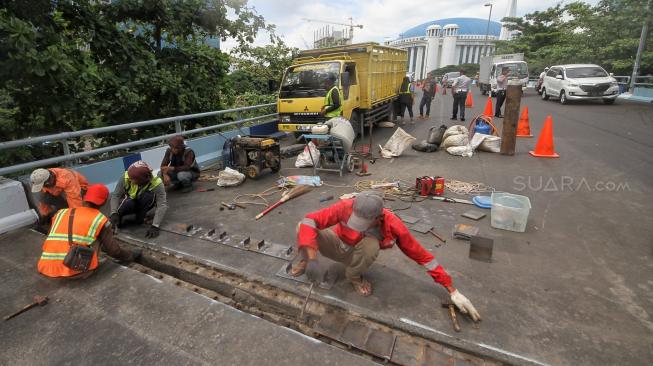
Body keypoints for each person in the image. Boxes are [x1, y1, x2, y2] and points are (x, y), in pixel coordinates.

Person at [291, 191, 481, 321]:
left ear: (378, 218)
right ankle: (306, 259)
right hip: (337, 244)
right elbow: (311, 220)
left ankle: (354, 277)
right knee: (304, 226)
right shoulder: (346, 206)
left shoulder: (393, 225)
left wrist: (452, 290)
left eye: (363, 223)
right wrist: (312, 257)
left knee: (371, 245)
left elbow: (424, 257)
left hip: (356, 257)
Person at [37, 184, 141, 278]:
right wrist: (130, 255)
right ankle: (86, 265)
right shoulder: (100, 219)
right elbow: (114, 251)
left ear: (84, 198)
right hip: (73, 270)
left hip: (45, 267)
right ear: (104, 202)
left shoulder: (61, 212)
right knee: (99, 235)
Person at [110, 160, 167, 238]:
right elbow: (115, 195)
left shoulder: (156, 182)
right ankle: (117, 219)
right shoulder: (126, 177)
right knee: (126, 205)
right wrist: (114, 212)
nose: (130, 180)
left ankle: (140, 217)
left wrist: (155, 226)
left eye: (133, 179)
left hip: (144, 200)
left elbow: (162, 205)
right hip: (129, 200)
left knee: (149, 196)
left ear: (142, 179)